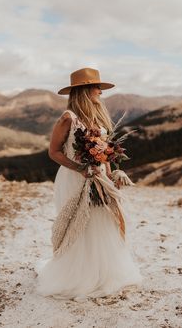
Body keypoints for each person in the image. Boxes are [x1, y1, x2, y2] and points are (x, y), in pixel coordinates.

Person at [34, 67, 143, 301]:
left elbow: (105, 153)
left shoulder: (98, 117)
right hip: (75, 178)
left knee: (103, 221)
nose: (100, 93)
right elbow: (53, 152)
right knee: (81, 225)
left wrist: (110, 175)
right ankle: (78, 277)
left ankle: (104, 275)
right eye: (96, 88)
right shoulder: (68, 118)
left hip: (100, 177)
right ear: (84, 90)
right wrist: (81, 168)